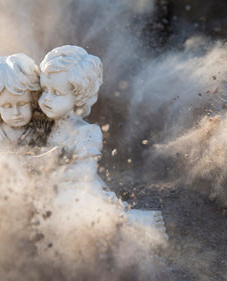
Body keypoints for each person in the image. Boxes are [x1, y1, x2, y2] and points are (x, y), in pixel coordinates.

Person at [38, 45, 167, 238]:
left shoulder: (86, 132)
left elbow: (85, 172)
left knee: (74, 209)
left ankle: (136, 222)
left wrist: (49, 176)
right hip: (57, 187)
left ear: (79, 96)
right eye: (44, 90)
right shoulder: (48, 125)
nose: (46, 99)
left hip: (79, 191)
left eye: (56, 93)